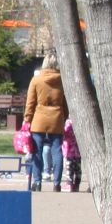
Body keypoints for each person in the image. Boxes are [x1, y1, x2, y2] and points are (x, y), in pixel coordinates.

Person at [23, 54, 68, 192]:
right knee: (57, 151)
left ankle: (37, 182)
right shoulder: (62, 80)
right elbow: (65, 102)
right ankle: (57, 183)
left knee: (37, 150)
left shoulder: (36, 80)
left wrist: (27, 119)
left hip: (39, 118)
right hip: (56, 117)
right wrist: (64, 117)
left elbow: (30, 102)